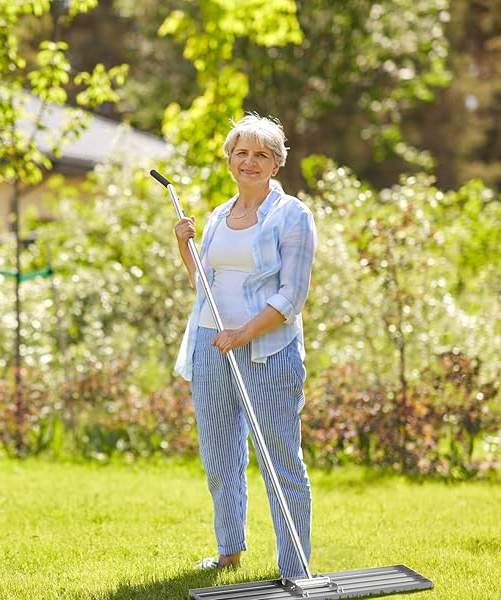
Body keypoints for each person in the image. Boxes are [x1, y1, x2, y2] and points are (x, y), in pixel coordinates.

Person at [173, 113, 316, 578]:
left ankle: (295, 568)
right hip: (210, 346)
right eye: (241, 153)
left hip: (267, 352)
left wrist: (242, 334)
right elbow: (205, 288)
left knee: (280, 463)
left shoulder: (292, 214)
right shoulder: (218, 215)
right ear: (230, 161)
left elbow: (291, 296)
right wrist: (184, 248)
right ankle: (229, 550)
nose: (249, 161)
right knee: (219, 458)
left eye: (261, 154)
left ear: (276, 163)